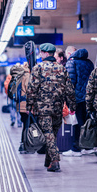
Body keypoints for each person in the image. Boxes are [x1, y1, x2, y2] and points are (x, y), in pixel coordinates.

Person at [26, 43, 76, 172]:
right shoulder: (62, 68)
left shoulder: (38, 68)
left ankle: (54, 160)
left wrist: (29, 105)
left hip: (43, 108)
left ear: (45, 53)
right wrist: (72, 105)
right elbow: (69, 89)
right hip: (58, 108)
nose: (40, 54)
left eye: (41, 52)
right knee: (53, 134)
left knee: (48, 134)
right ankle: (48, 161)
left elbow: (32, 89)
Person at [64, 48, 94, 156]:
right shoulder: (89, 63)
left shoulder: (71, 63)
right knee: (86, 122)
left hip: (77, 98)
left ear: (70, 54)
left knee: (76, 123)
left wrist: (68, 99)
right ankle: (87, 146)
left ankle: (76, 149)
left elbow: (70, 82)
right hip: (88, 97)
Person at [16, 62, 32, 153]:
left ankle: (23, 145)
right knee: (28, 125)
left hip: (20, 105)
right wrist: (29, 107)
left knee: (25, 124)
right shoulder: (27, 75)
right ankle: (25, 146)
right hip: (25, 105)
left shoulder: (19, 74)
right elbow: (29, 92)